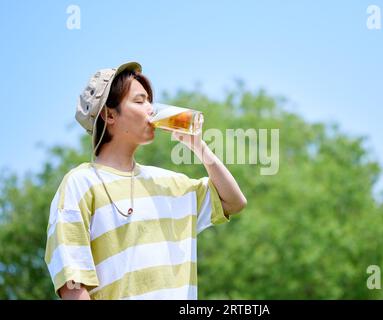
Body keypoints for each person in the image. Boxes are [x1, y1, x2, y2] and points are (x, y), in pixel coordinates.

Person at [44, 62, 247, 300]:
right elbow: (73, 286)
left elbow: (234, 202)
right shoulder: (80, 184)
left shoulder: (168, 183)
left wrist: (199, 147)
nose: (151, 109)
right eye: (140, 101)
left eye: (150, 101)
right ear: (109, 114)